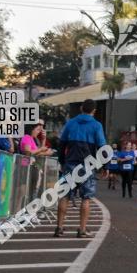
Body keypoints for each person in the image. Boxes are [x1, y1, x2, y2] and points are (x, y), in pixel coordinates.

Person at [54, 99, 107, 238]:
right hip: (88, 166)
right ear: (94, 111)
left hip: (70, 163)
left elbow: (62, 144)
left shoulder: (71, 123)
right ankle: (82, 229)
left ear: (81, 108)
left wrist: (62, 161)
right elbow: (102, 147)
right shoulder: (96, 125)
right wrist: (105, 166)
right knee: (86, 198)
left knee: (64, 195)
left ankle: (59, 228)